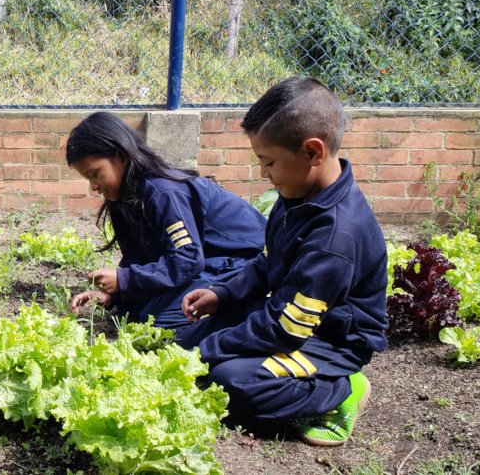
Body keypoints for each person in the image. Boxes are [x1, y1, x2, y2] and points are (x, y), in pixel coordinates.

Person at [180, 76, 388, 447]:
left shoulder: (335, 239)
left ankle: (341, 389)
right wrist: (222, 295)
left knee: (230, 382)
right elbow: (266, 264)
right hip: (293, 316)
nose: (264, 173)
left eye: (269, 162)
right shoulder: (297, 196)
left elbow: (288, 327)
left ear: (312, 153)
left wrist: (209, 352)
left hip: (329, 341)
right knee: (191, 341)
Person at [66, 111, 266, 344]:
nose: (93, 186)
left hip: (240, 262)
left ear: (119, 156)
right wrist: (114, 295)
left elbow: (188, 259)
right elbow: (136, 258)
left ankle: (250, 313)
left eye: (95, 174)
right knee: (136, 313)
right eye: (87, 178)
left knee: (163, 327)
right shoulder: (122, 197)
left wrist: (126, 280)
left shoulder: (163, 191)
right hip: (204, 264)